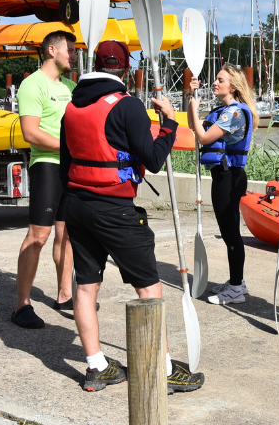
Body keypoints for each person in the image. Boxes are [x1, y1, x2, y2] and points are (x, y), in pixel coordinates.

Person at [60, 40, 204, 393]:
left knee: (86, 284)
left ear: (94, 65)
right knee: (148, 285)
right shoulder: (127, 106)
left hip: (77, 204)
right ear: (126, 70)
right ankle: (164, 368)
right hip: (114, 209)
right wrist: (169, 121)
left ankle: (97, 366)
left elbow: (66, 163)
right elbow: (153, 159)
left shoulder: (72, 105)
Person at [12, 30, 77, 329]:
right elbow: (31, 133)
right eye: (70, 50)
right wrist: (70, 147)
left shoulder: (70, 87)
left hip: (70, 169)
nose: (73, 56)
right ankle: (21, 305)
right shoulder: (32, 84)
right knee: (39, 236)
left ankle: (65, 294)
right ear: (52, 50)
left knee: (67, 236)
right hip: (47, 166)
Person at [187, 64, 259, 305]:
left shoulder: (235, 113)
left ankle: (236, 288)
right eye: (216, 79)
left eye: (220, 80)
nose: (215, 83)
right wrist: (191, 100)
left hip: (230, 177)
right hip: (223, 176)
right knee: (229, 233)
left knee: (231, 234)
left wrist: (196, 111)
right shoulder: (223, 110)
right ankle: (237, 281)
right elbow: (192, 127)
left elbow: (205, 137)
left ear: (234, 86)